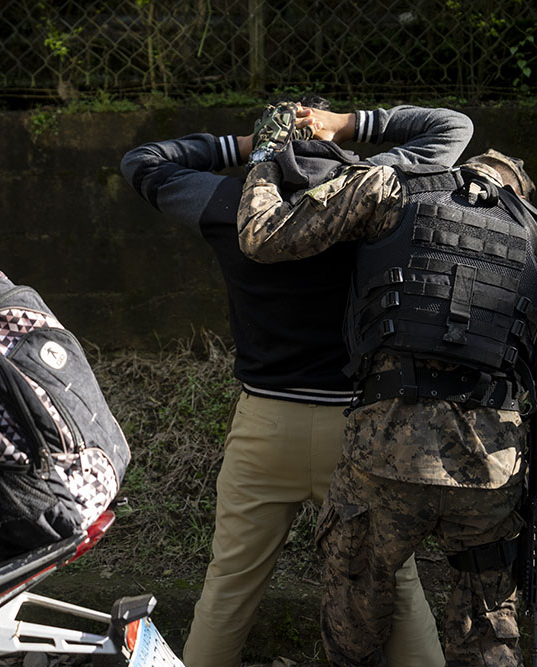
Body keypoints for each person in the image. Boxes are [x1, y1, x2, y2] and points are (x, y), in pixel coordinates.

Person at [120, 99, 475, 667]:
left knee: (228, 589)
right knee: (395, 582)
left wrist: (245, 145)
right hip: (359, 429)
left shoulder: (229, 204)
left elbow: (144, 161)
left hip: (265, 425)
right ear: (334, 145)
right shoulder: (374, 192)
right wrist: (345, 123)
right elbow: (454, 127)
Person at [236, 107, 537, 666]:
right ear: (518, 193)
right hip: (492, 466)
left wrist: (266, 159)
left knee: (355, 621)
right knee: (489, 635)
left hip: (387, 452)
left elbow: (261, 234)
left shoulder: (389, 187)